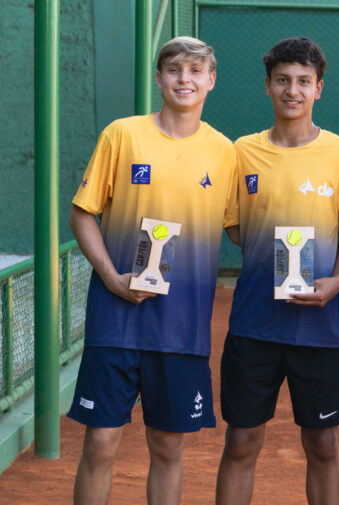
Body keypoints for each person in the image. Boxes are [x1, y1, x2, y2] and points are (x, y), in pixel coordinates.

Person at [66, 36, 236, 505]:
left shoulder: (226, 152)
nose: (185, 80)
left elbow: (242, 231)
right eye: (175, 70)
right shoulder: (123, 135)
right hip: (115, 319)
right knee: (100, 443)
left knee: (167, 447)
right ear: (159, 78)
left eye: (196, 71)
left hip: (180, 328)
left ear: (211, 80)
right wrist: (110, 276)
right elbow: (82, 213)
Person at [215, 37, 339, 505]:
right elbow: (236, 229)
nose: (292, 91)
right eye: (283, 81)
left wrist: (336, 281)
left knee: (322, 443)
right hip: (255, 322)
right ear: (267, 87)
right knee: (240, 441)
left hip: (322, 327)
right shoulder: (242, 153)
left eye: (303, 82)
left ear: (319, 88)